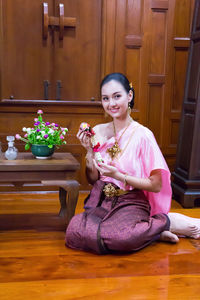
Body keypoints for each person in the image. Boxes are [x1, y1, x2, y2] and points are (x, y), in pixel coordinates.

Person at [66, 72, 200, 254]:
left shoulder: (143, 135)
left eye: (117, 96)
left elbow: (156, 185)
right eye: (105, 98)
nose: (111, 104)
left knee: (122, 238)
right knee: (74, 232)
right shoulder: (97, 131)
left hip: (130, 201)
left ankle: (169, 222)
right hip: (102, 201)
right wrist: (89, 152)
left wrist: (119, 176)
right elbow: (92, 180)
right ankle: (153, 232)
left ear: (129, 96)